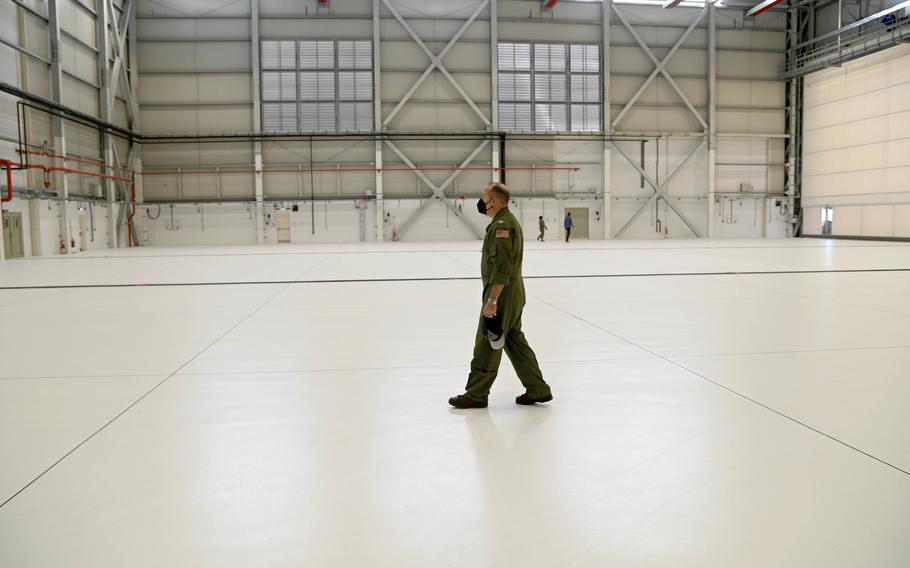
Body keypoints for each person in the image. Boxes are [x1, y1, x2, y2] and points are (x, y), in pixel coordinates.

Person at [448, 182, 553, 409]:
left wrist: (492, 302)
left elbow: (502, 268)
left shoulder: (501, 227)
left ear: (492, 201)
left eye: (483, 196)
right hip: (513, 292)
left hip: (502, 293)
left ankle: (476, 394)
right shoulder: (505, 221)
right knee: (514, 341)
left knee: (487, 341)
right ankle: (538, 388)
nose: (480, 201)